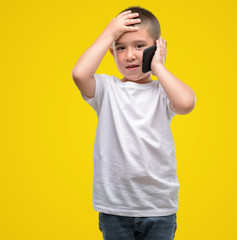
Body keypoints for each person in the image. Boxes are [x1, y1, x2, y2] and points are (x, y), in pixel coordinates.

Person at [72, 6, 196, 240]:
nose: (129, 55)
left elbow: (186, 103)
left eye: (139, 46)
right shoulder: (107, 89)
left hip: (158, 207)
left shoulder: (162, 91)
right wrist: (109, 33)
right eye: (121, 48)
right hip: (115, 208)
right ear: (112, 52)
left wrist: (158, 66)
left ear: (157, 46)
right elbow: (79, 74)